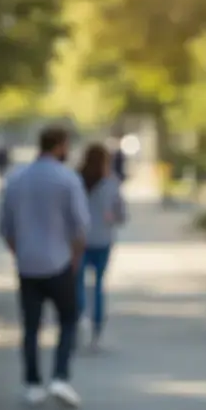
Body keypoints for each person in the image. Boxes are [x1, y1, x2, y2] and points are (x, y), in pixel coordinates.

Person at [0, 124, 90, 409]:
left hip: (27, 264)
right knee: (68, 320)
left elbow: (5, 227)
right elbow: (81, 225)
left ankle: (33, 384)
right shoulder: (68, 179)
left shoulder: (16, 179)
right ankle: (60, 377)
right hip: (59, 261)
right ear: (61, 146)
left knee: (31, 326)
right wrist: (74, 260)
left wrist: (20, 253)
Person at [76, 142, 127, 350]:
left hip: (79, 241)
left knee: (77, 283)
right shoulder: (111, 183)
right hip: (103, 240)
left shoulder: (75, 181)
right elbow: (122, 216)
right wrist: (111, 217)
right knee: (98, 286)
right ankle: (96, 329)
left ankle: (79, 319)